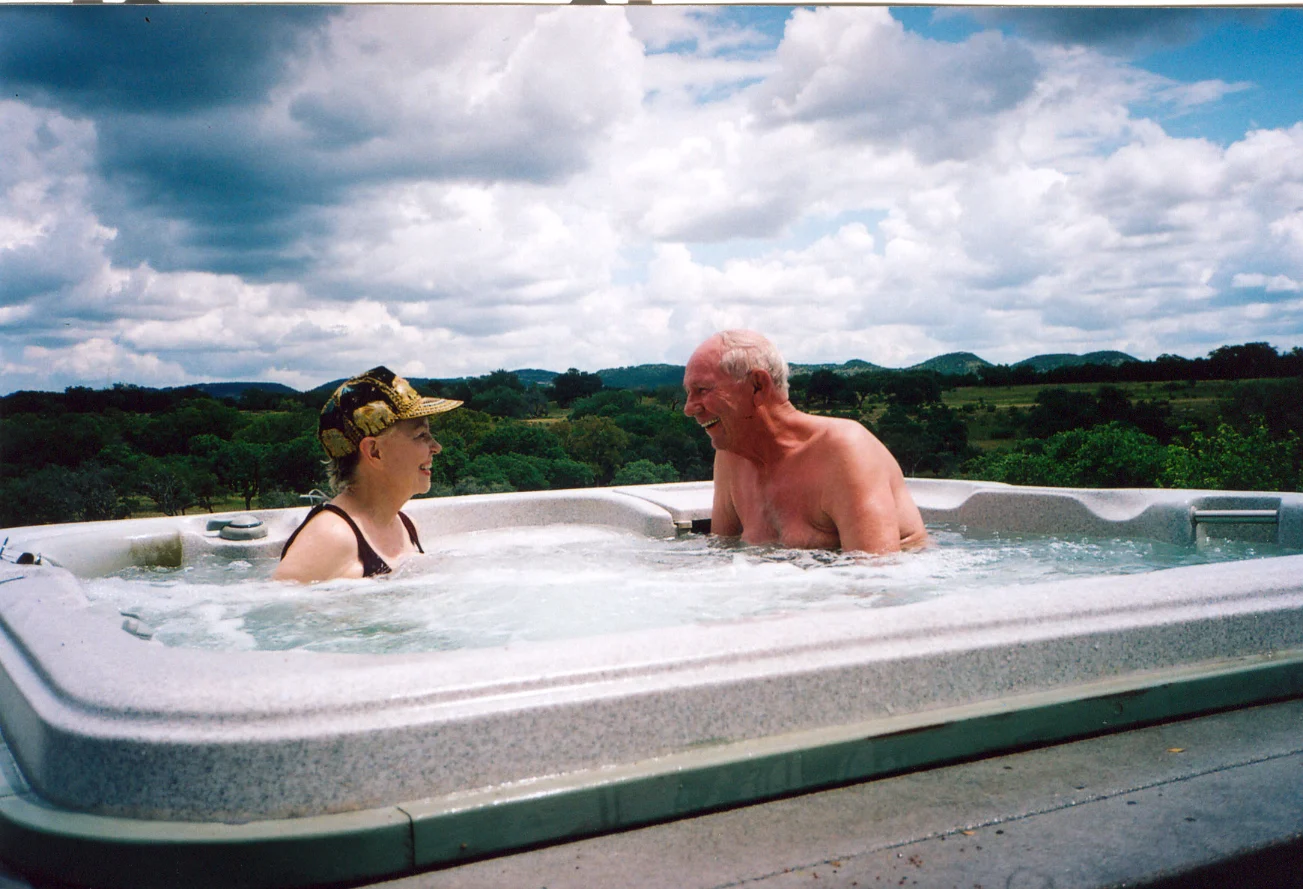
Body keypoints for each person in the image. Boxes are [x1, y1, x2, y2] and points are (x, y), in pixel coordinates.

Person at [683, 330, 928, 554]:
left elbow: (876, 583)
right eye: (688, 393)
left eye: (702, 390)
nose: (688, 409)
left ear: (758, 386)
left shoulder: (844, 451)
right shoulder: (731, 455)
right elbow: (722, 560)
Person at [274, 367, 462, 583]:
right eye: (421, 435)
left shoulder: (407, 527)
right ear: (374, 451)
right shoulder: (330, 537)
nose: (436, 447)